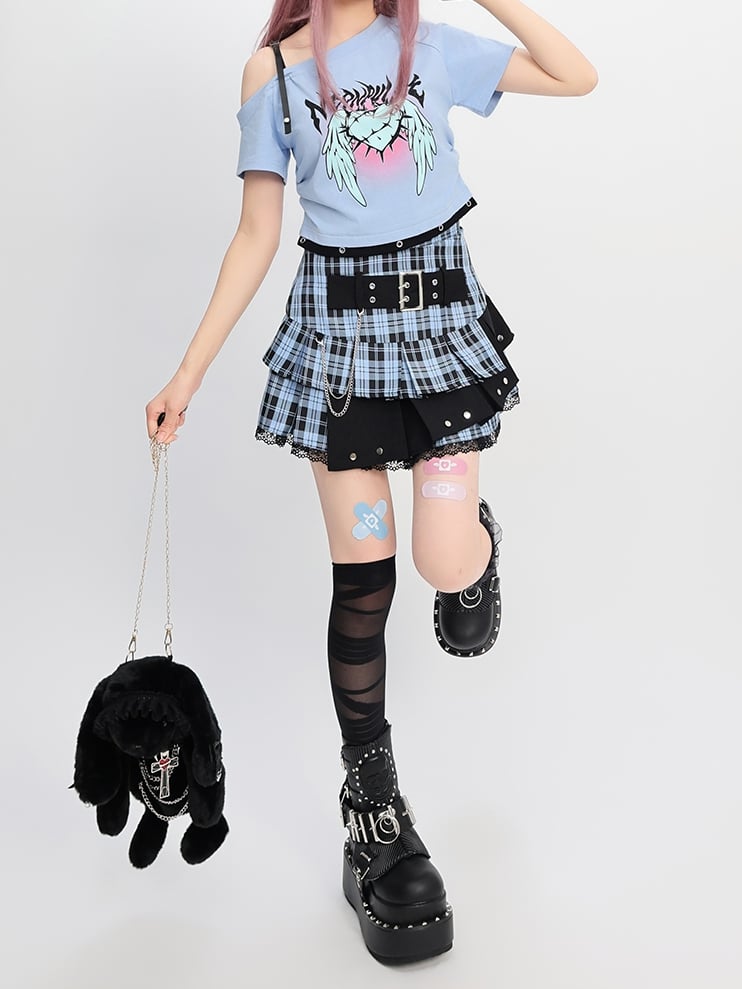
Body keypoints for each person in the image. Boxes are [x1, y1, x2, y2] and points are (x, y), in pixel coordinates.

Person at [145, 0, 597, 965]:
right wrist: (188, 373)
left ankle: (474, 547)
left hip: (438, 324)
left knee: (441, 560)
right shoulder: (273, 73)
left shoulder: (431, 46)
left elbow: (576, 76)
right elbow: (256, 233)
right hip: (339, 345)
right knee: (366, 579)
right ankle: (374, 804)